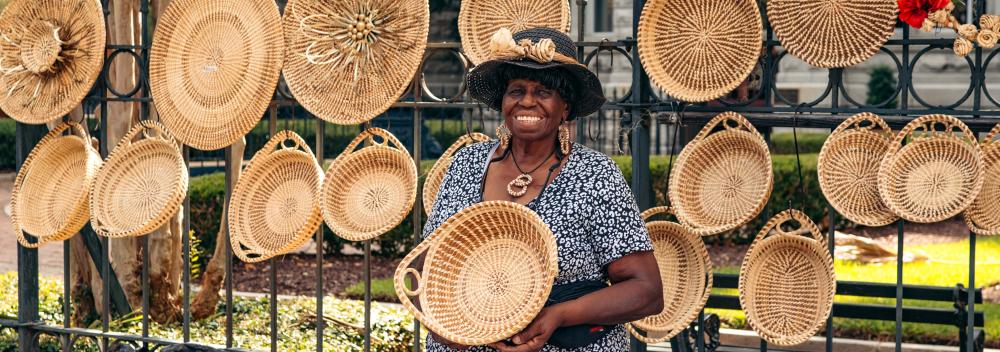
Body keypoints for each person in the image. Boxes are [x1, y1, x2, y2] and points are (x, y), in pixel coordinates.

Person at [421, 27, 663, 351]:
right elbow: (426, 266)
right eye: (516, 90)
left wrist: (558, 315)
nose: (528, 101)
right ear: (503, 101)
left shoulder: (595, 175)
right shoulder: (467, 163)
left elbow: (646, 291)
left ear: (565, 108)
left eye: (544, 91)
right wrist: (446, 326)